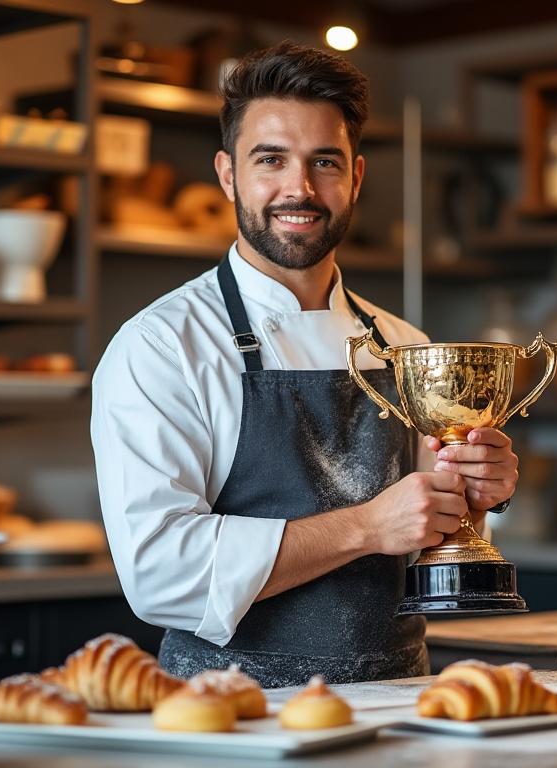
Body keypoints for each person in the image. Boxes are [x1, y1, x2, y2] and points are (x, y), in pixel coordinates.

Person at [91, 42, 519, 687]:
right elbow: (161, 574)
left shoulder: (404, 343)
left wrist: (475, 497)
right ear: (228, 174)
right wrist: (368, 527)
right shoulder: (160, 346)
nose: (300, 188)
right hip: (229, 718)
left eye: (325, 161)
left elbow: (429, 541)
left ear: (357, 177)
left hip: (400, 702)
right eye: (270, 160)